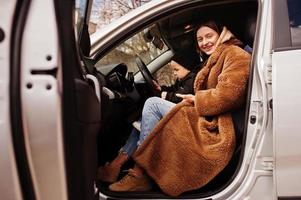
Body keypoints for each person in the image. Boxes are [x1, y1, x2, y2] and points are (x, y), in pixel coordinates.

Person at [107, 20, 251, 196]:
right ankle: (118, 167)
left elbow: (230, 95)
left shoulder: (234, 54)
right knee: (148, 113)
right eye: (200, 39)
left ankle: (141, 173)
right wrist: (193, 100)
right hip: (206, 116)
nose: (204, 42)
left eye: (209, 36)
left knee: (152, 104)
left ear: (221, 34)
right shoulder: (215, 58)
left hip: (217, 125)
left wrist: (197, 99)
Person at [97, 53, 200, 183]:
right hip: (179, 112)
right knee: (142, 123)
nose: (174, 73)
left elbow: (180, 96)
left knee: (151, 105)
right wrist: (161, 88)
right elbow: (174, 89)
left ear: (188, 68)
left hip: (186, 114)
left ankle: (140, 169)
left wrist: (164, 94)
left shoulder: (192, 79)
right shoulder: (183, 80)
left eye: (176, 70)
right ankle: (114, 166)